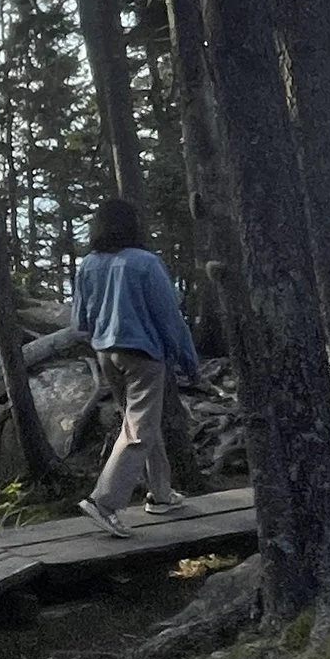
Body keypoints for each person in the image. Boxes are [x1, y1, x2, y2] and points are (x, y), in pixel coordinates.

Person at [70, 195, 199, 533]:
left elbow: (80, 321)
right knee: (139, 429)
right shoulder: (145, 263)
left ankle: (160, 495)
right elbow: (170, 318)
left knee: (141, 423)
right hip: (142, 355)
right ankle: (104, 501)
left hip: (106, 353)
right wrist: (188, 359)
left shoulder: (89, 264)